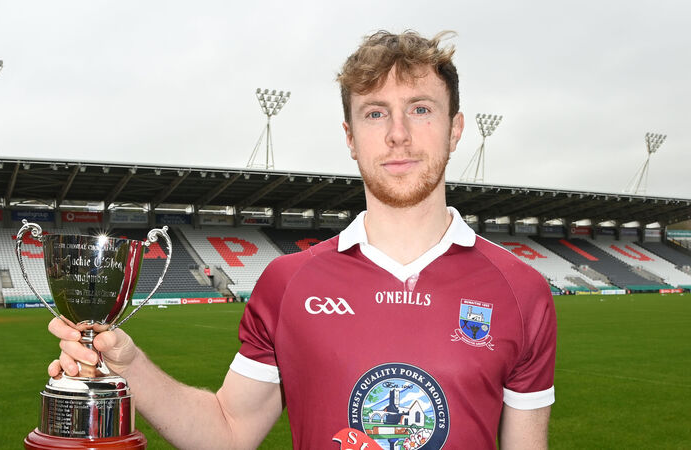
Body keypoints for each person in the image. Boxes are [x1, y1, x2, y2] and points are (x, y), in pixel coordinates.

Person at [49, 30, 556, 449]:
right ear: (350, 137)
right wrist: (129, 365)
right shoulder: (288, 283)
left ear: (455, 128)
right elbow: (228, 433)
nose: (398, 133)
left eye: (420, 109)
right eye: (375, 112)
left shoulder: (521, 291)